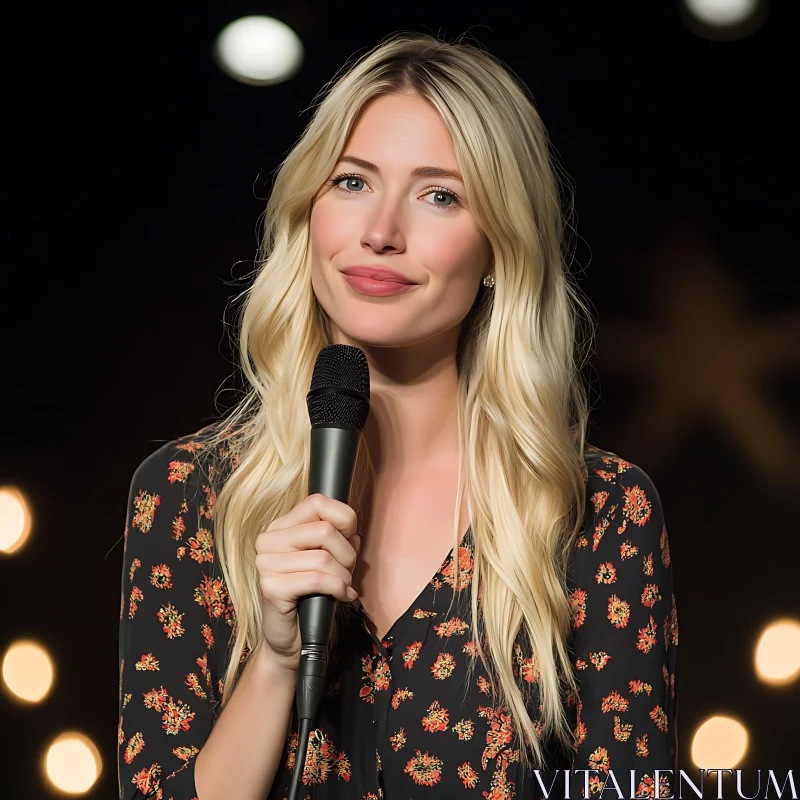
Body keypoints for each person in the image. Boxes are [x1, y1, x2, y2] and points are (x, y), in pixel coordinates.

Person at [117, 32, 678, 800]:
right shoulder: (187, 494)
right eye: (351, 182)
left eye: (439, 194)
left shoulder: (596, 511)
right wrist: (277, 661)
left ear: (497, 252)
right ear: (307, 212)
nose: (380, 231)